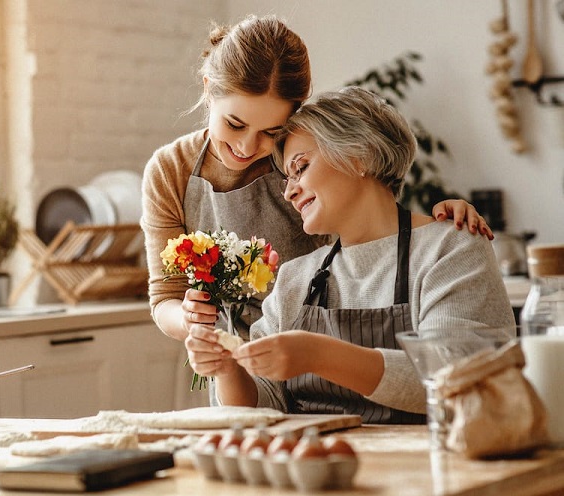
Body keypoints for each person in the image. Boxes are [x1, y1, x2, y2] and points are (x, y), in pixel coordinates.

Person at [141, 15, 492, 369]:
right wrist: (193, 322)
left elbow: (371, 228)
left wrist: (436, 225)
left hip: (323, 359)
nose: (247, 146)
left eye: (271, 132)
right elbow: (164, 297)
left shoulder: (296, 158)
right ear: (207, 89)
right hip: (235, 367)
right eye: (235, 124)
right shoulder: (170, 171)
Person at [185, 86, 516, 422]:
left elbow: (456, 376)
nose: (289, 191)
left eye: (301, 167)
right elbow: (263, 405)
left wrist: (319, 354)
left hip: (430, 465)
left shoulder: (449, 248)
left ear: (360, 155)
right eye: (287, 177)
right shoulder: (295, 278)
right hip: (319, 467)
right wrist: (227, 369)